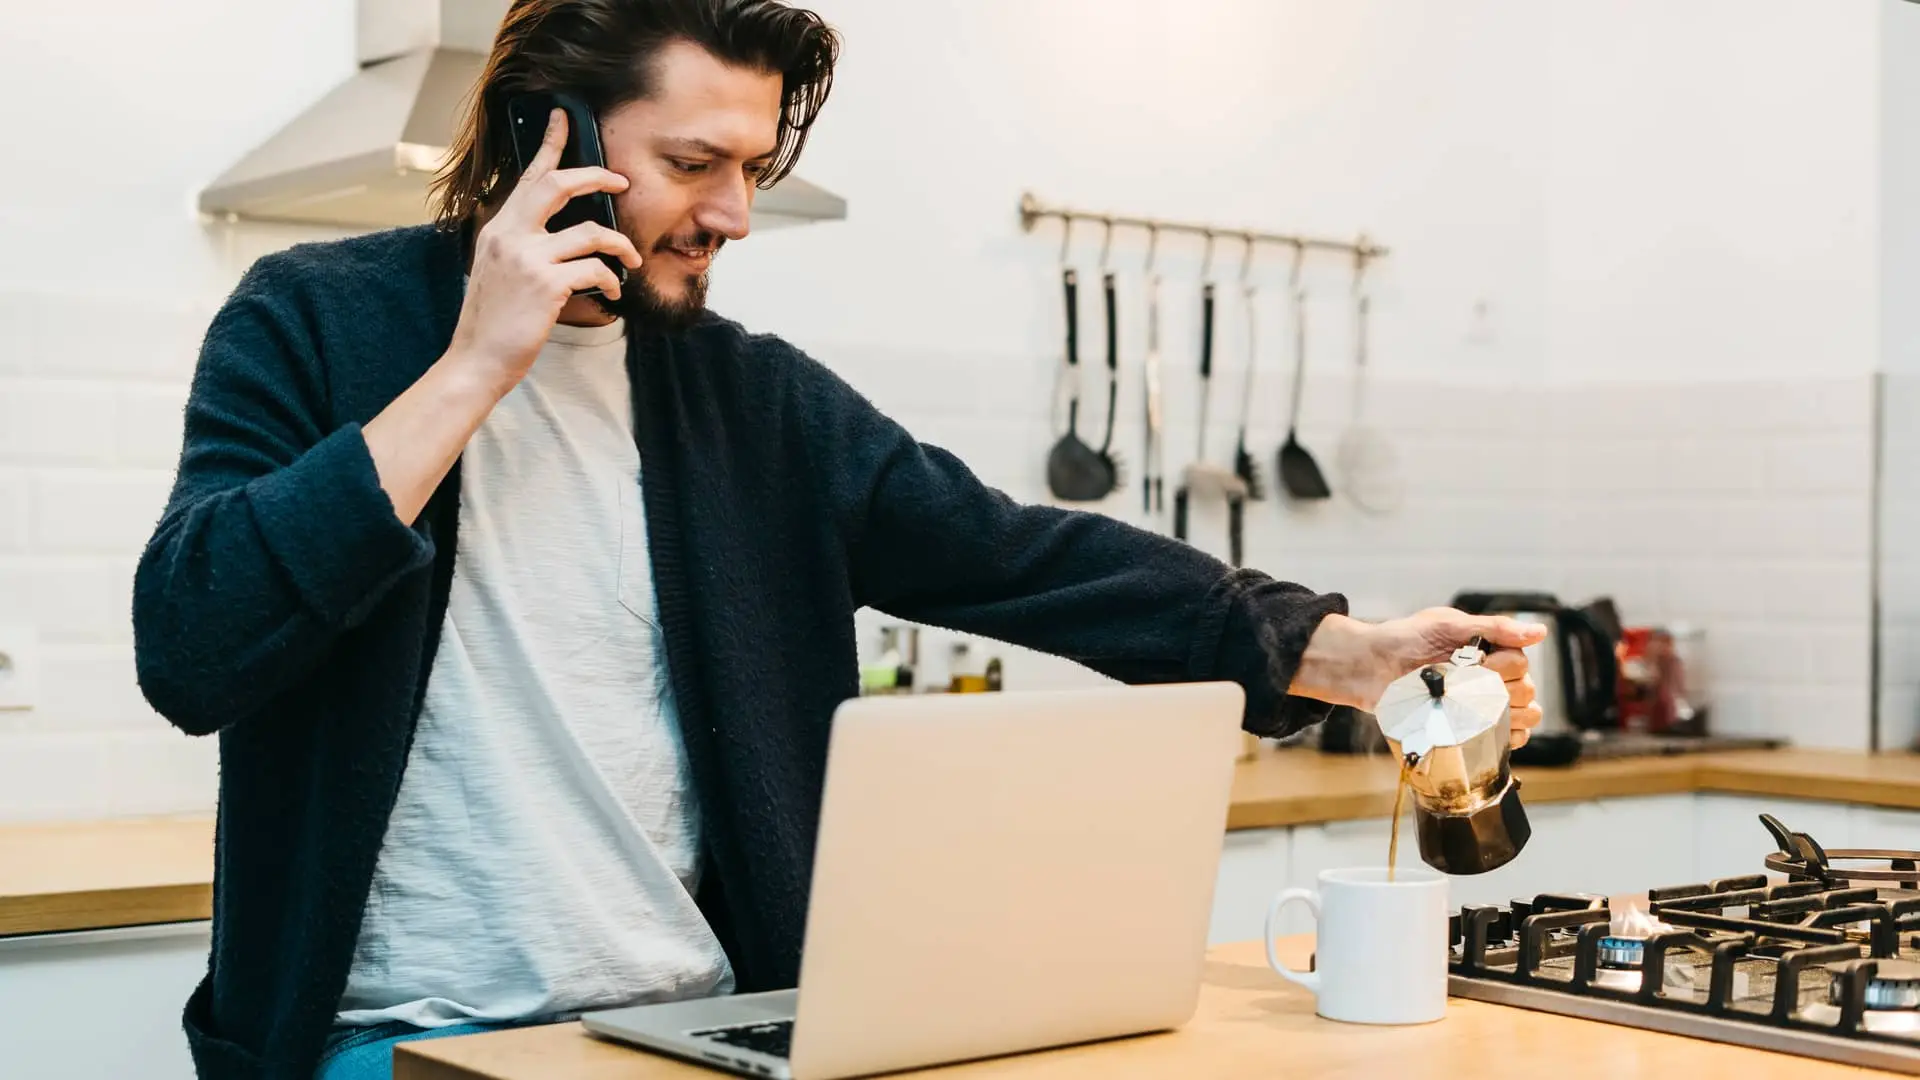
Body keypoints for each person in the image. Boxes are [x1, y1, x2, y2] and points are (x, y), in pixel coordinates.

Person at [131, 2, 1544, 1078]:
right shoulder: (311, 324)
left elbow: (1019, 555)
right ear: (537, 138)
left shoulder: (752, 399)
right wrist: (472, 370)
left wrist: (1336, 651)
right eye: (695, 163)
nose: (736, 214)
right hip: (397, 1048)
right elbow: (192, 647)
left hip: (692, 1036)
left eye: (753, 166)